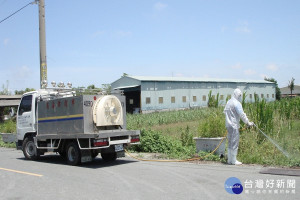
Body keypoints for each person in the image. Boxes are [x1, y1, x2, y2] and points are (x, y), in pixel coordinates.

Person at [224, 88, 253, 165]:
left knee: (230, 142)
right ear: (237, 95)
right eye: (239, 95)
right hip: (234, 125)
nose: (240, 97)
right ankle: (233, 160)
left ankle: (229, 160)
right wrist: (248, 122)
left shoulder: (228, 102)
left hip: (228, 125)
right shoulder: (237, 103)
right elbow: (241, 114)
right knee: (234, 142)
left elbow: (225, 112)